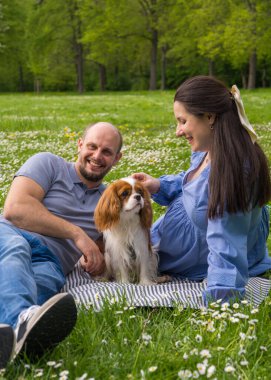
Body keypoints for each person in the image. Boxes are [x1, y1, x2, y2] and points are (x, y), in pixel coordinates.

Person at [133, 75, 271, 305]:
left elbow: (226, 241)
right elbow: (193, 183)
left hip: (185, 259)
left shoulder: (232, 174)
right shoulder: (211, 149)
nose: (178, 131)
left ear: (209, 117)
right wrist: (159, 185)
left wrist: (221, 298)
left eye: (182, 121)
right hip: (166, 239)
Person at [0, 122, 122, 369]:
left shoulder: (110, 201)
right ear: (79, 145)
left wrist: (101, 262)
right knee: (17, 250)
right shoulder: (48, 163)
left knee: (42, 286)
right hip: (10, 234)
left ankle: (11, 336)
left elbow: (115, 248)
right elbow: (16, 209)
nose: (97, 156)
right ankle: (20, 321)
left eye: (107, 152)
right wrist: (77, 235)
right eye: (92, 146)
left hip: (51, 261)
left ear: (117, 159)